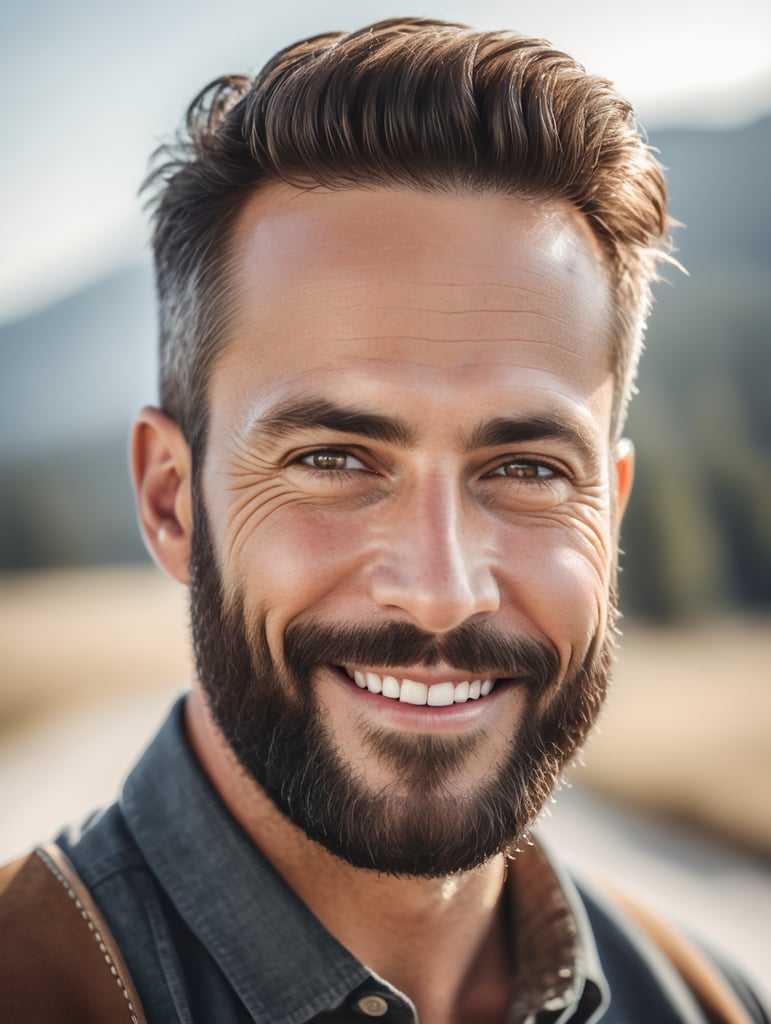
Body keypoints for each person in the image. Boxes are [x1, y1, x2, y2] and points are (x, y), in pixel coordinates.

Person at [0, 16, 767, 1024]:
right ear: (172, 501)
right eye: (333, 460)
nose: (441, 590)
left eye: (528, 469)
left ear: (609, 514)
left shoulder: (712, 1002)